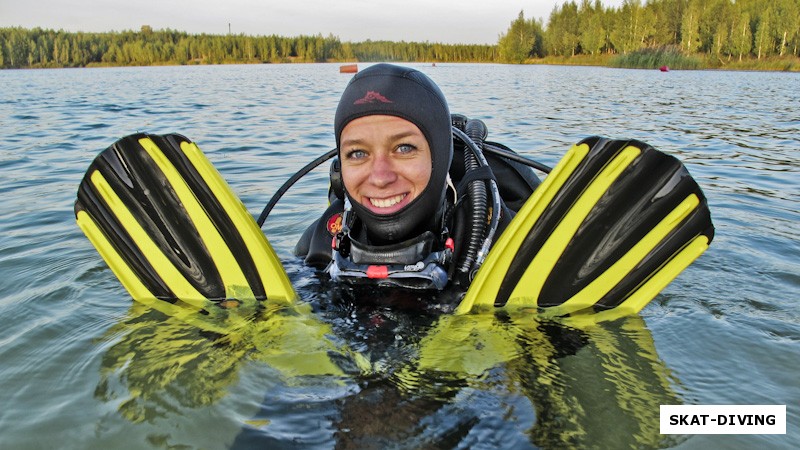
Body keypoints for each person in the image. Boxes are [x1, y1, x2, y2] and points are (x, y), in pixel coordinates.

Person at [294, 63, 541, 290]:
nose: (380, 177)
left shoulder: (503, 242)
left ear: (440, 156)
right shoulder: (320, 245)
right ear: (339, 170)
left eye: (404, 148)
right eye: (358, 153)